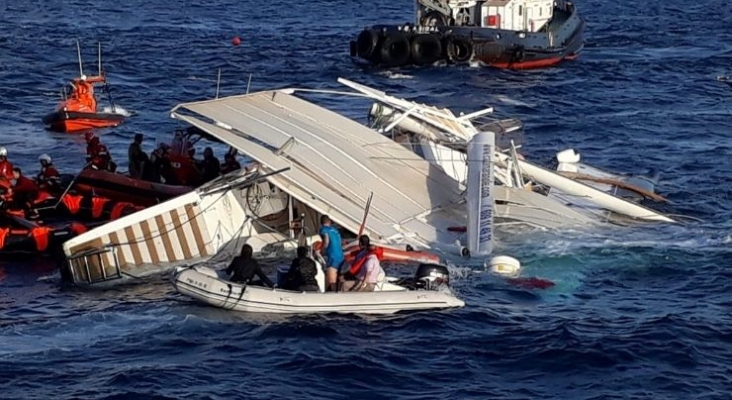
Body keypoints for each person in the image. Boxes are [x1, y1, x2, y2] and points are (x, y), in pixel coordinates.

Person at [318, 215, 344, 291]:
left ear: (321, 223)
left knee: (332, 281)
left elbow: (326, 241)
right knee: (338, 279)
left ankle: (333, 296)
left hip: (332, 257)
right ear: (329, 222)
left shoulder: (323, 229)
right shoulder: (335, 230)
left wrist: (321, 250)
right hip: (340, 256)